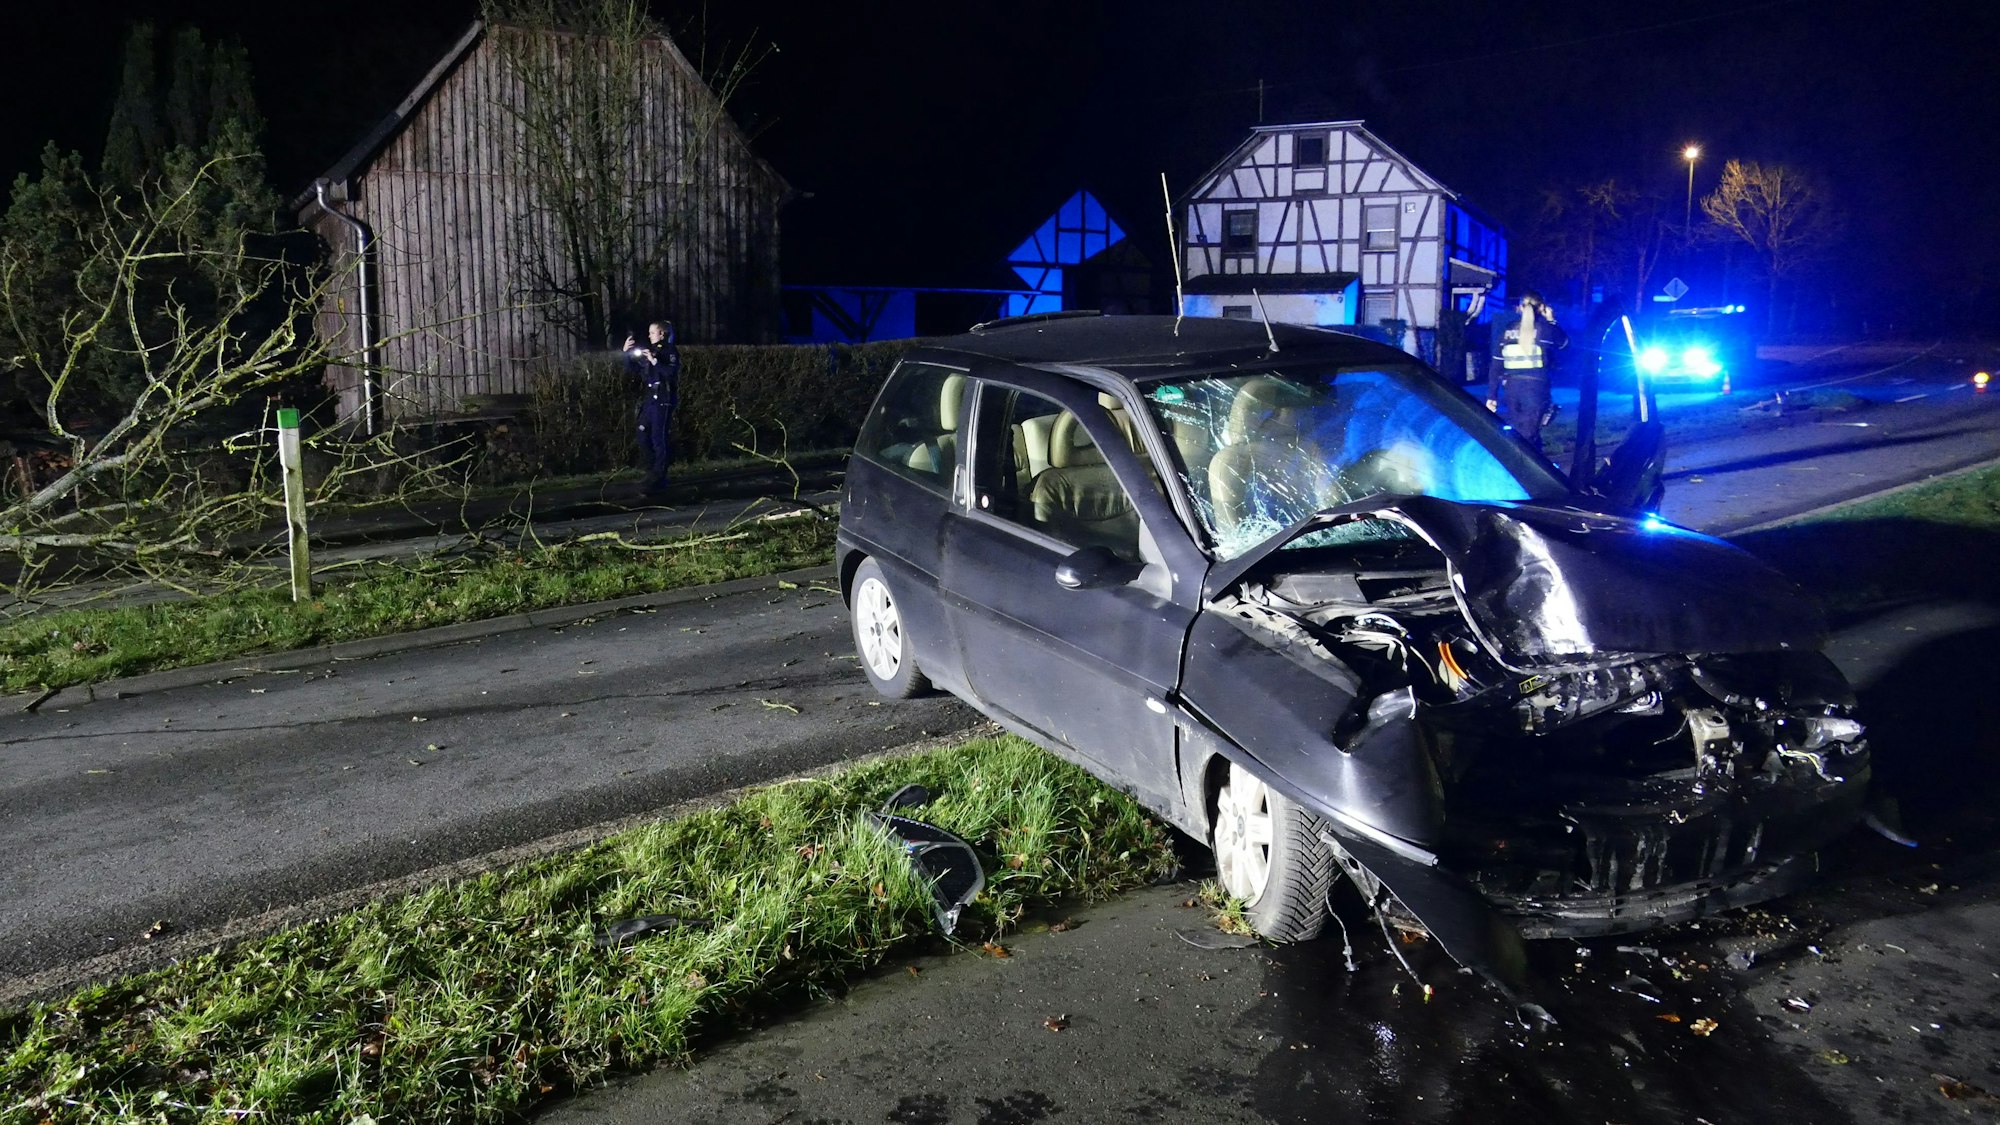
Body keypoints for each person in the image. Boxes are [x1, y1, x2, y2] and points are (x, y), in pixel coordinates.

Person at [1486, 290, 1567, 451]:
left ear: (1520, 308)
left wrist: (1492, 396)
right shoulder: (1544, 330)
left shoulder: (1507, 332)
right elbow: (1564, 343)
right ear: (1541, 308)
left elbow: (1496, 365)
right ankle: (1530, 470)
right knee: (1529, 437)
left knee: (1518, 435)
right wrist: (1552, 320)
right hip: (1535, 390)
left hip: (1511, 390)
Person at [623, 321, 680, 494]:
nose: (649, 336)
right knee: (642, 432)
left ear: (662, 334)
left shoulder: (669, 351)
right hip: (650, 399)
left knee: (658, 437)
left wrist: (654, 361)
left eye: (653, 332)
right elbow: (633, 370)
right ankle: (651, 469)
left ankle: (659, 475)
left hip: (663, 398)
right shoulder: (651, 351)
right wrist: (626, 354)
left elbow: (670, 373)